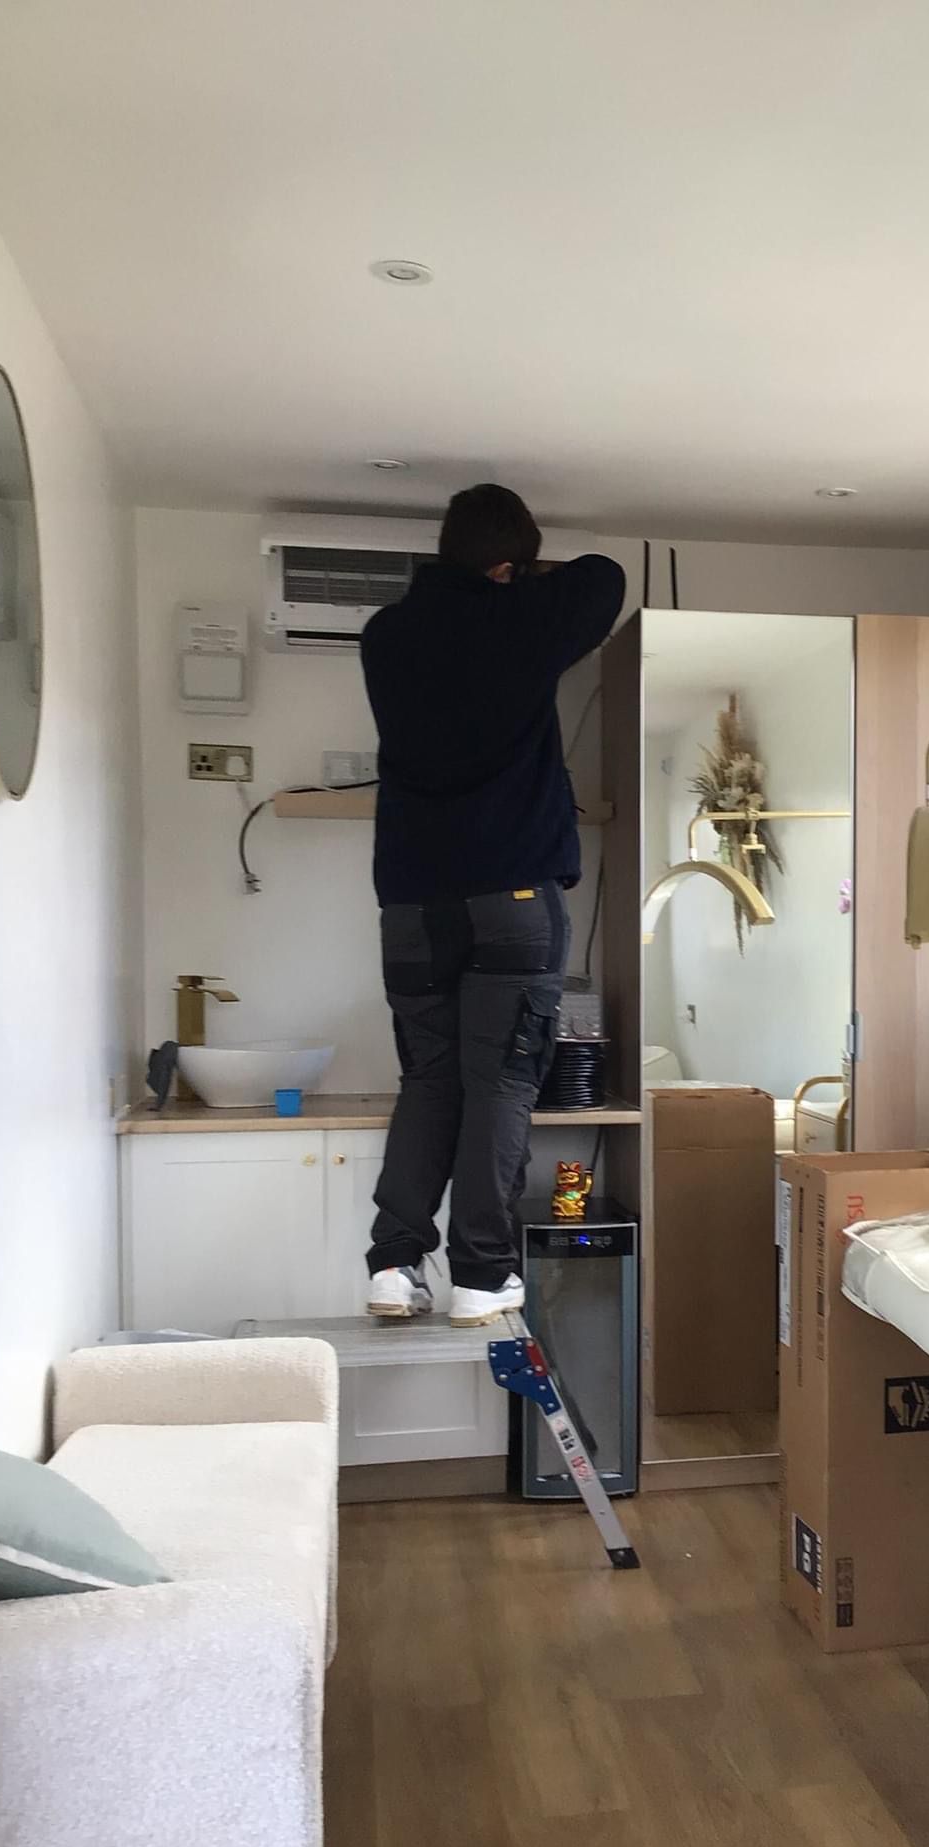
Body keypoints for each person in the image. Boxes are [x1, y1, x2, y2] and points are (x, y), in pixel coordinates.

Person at [361, 484, 626, 1325]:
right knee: (502, 1083)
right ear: (509, 566)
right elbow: (606, 576)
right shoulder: (521, 620)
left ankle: (394, 1265)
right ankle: (480, 1272)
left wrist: (505, 579)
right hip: (512, 896)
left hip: (412, 903)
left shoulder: (386, 635)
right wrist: (525, 584)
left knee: (429, 1080)